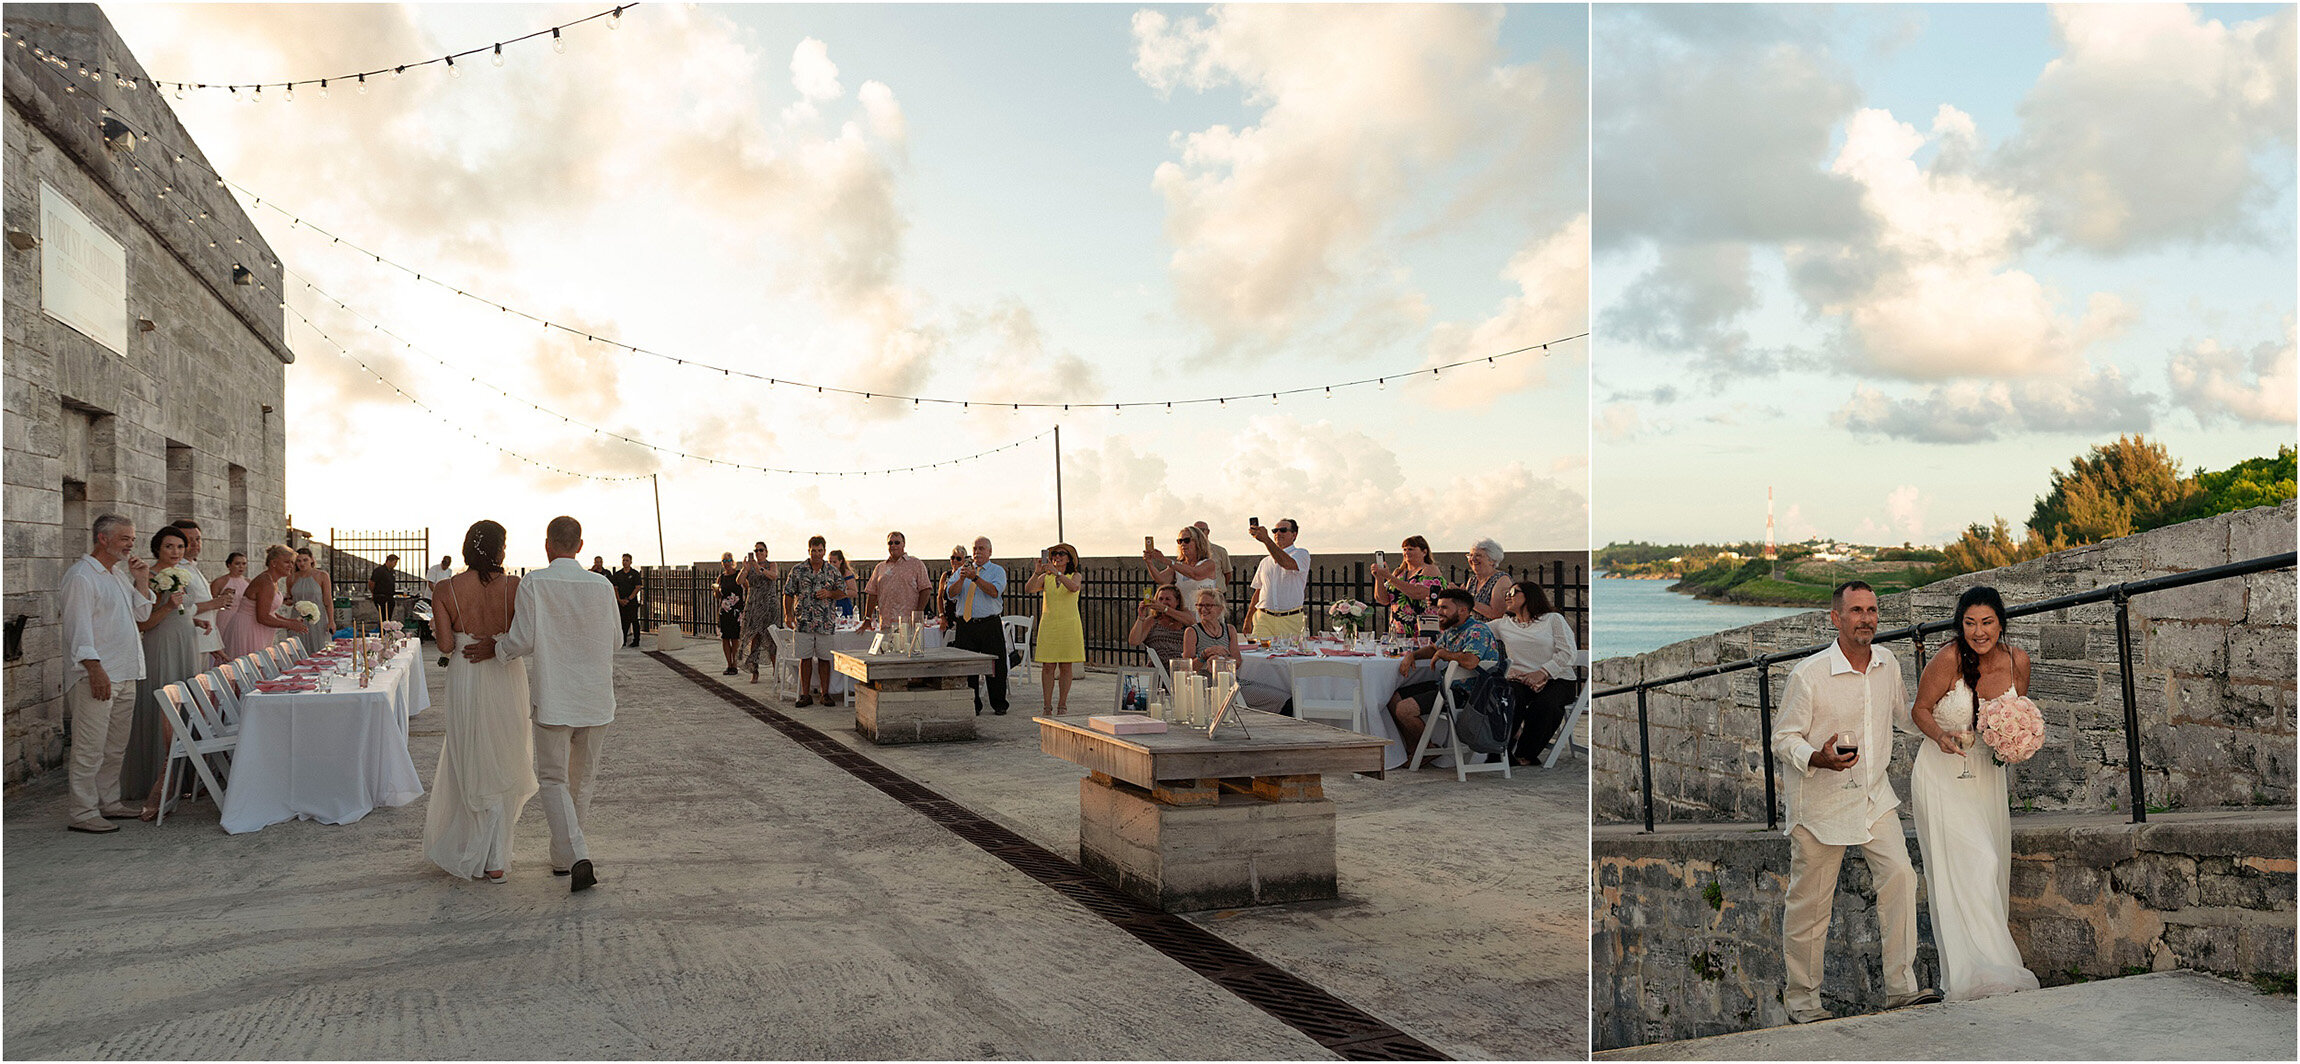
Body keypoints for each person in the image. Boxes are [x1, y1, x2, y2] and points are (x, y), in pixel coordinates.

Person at [1769, 580, 1939, 1024]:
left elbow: (1903, 716)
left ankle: (1901, 989)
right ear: (1836, 618)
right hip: (1820, 805)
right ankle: (1803, 1003)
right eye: (1857, 610)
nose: (1867, 618)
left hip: (1873, 796)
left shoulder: (1887, 663)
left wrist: (1948, 725)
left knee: (1901, 877)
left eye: (1873, 610)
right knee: (1810, 905)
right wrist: (1819, 758)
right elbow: (1782, 738)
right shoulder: (1808, 675)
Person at [462, 516, 618, 893]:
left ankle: (575, 853)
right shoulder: (602, 585)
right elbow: (614, 640)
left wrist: (495, 650)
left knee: (553, 779)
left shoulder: (535, 581)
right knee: (581, 781)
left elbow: (521, 640)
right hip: (596, 698)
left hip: (555, 697)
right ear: (580, 546)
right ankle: (564, 857)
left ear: (548, 545)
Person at [1908, 586, 2041, 1003]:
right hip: (1943, 773)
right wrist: (1941, 737)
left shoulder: (2019, 661)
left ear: (2000, 622)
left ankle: (1981, 971)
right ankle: (1991, 970)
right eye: (1969, 623)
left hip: (1986, 775)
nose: (1978, 632)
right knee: (1975, 862)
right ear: (1959, 624)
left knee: (1992, 863)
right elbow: (1919, 710)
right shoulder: (1948, 658)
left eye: (1986, 622)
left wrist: (2016, 740)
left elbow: (2017, 711)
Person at [423, 520, 537, 884]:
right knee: (505, 754)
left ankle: (472, 847)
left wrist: (453, 633)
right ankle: (496, 858)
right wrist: (497, 643)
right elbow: (527, 636)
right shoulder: (516, 587)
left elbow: (443, 646)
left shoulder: (445, 588)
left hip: (466, 676)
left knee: (470, 755)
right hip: (506, 674)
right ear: (498, 549)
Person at [59, 514, 155, 832]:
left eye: (132, 538)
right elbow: (77, 628)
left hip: (126, 671)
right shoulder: (81, 576)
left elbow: (142, 614)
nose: (131, 544)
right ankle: (83, 812)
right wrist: (94, 668)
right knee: (89, 746)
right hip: (98, 675)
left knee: (115, 746)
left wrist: (141, 578)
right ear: (103, 538)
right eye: (125, 538)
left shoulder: (117, 575)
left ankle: (109, 802)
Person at [125, 525, 194, 818]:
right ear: (157, 548)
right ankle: (156, 775)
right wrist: (167, 608)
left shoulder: (183, 575)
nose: (176, 552)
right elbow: (141, 623)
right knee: (164, 702)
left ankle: (186, 778)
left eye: (180, 547)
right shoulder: (149, 577)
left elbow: (184, 609)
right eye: (169, 547)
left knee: (186, 703)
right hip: (160, 643)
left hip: (185, 640)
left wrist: (195, 620)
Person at [1387, 588, 1503, 756]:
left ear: (1463, 610)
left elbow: (1471, 661)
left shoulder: (1477, 631)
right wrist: (1412, 656)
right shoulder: (1453, 629)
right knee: (1392, 697)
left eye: (1444, 608)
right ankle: (1417, 749)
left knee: (1404, 709)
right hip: (1446, 686)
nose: (1439, 612)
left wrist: (1444, 654)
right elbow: (1434, 648)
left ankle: (1426, 750)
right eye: (1439, 607)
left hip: (1469, 694)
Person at [1492, 579, 1578, 766]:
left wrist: (1543, 672)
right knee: (1510, 697)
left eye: (1513, 593)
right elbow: (1475, 631)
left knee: (1546, 705)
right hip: (1521, 679)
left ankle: (1526, 753)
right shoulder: (1503, 625)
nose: (1508, 596)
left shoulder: (1553, 619)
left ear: (1529, 596)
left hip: (1558, 678)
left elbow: (1568, 652)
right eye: (1507, 593)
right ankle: (1500, 750)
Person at [1178, 588, 1293, 714]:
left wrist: (1222, 661)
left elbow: (1237, 661)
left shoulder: (1229, 630)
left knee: (1285, 698)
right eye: (1200, 605)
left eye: (1208, 605)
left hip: (1232, 681)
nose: (1203, 609)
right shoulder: (1192, 632)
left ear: (1220, 608)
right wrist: (1205, 654)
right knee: (1278, 701)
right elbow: (1187, 669)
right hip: (1208, 685)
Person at [942, 537, 1009, 715]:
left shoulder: (997, 571)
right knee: (967, 665)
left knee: (995, 665)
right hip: (966, 624)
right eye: (975, 549)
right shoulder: (962, 571)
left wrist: (975, 578)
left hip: (989, 623)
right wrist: (962, 579)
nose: (978, 552)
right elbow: (950, 594)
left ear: (990, 552)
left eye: (981, 548)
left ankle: (999, 703)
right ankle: (972, 703)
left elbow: (994, 592)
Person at [781, 536, 844, 707]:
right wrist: (788, 615)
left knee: (825, 659)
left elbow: (842, 592)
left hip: (825, 622)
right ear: (808, 550)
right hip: (803, 622)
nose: (816, 554)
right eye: (813, 550)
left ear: (824, 550)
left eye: (820, 550)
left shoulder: (832, 571)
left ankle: (825, 694)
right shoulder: (798, 570)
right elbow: (788, 592)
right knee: (805, 658)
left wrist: (829, 594)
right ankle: (805, 694)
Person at [1027, 543, 1085, 715]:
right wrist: (1038, 572)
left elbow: (1073, 587)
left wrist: (1057, 572)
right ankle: (1046, 705)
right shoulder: (1046, 577)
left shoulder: (1075, 575)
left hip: (1068, 625)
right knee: (1048, 666)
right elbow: (1029, 589)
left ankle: (1062, 704)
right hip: (1050, 625)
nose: (1057, 557)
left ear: (1069, 558)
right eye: (1054, 554)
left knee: (1066, 666)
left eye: (1061, 554)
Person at [223, 545, 308, 660]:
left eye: (292, 563)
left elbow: (269, 611)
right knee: (252, 667)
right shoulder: (266, 582)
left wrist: (289, 620)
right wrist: (289, 625)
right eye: (287, 562)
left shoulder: (273, 581)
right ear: (273, 563)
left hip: (257, 627)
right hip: (249, 629)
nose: (291, 566)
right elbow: (262, 617)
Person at [170, 520, 230, 665]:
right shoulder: (175, 570)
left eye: (198, 539)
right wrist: (214, 603)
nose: (195, 544)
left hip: (203, 641)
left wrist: (213, 643)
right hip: (188, 642)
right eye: (189, 540)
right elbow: (179, 610)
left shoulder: (192, 567)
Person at [1242, 518, 1310, 639]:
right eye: (1275, 531)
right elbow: (1259, 591)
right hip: (1263, 618)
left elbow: (1286, 563)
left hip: (1290, 619)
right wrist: (1248, 619)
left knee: (1291, 655)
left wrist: (1266, 540)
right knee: (1260, 654)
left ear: (1294, 535)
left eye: (1283, 530)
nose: (1278, 534)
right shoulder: (1265, 561)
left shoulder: (1301, 554)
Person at [1373, 535, 1444, 637]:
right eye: (1404, 549)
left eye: (1411, 549)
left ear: (1424, 552)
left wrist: (1389, 577)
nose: (1406, 552)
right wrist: (1379, 578)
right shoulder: (1399, 573)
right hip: (1399, 631)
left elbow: (1417, 593)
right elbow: (1383, 600)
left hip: (1423, 630)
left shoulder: (1429, 570)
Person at [863, 531, 933, 630]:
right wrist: (867, 618)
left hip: (908, 625)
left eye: (897, 542)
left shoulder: (916, 564)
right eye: (890, 543)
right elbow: (872, 593)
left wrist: (917, 615)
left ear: (903, 544)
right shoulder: (880, 568)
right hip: (886, 624)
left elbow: (925, 589)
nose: (893, 545)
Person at [1147, 526, 1221, 608]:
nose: (1183, 544)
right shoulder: (1177, 566)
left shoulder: (1208, 564)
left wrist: (1165, 560)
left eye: (1186, 540)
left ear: (1198, 542)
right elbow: (1161, 579)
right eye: (1180, 541)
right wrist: (1149, 562)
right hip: (1185, 614)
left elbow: (1195, 574)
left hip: (1205, 613)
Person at [1127, 585, 1195, 673]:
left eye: (1167, 599)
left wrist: (1165, 609)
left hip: (1182, 668)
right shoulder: (1152, 621)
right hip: (1160, 669)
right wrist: (1140, 617)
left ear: (1177, 601)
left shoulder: (1184, 616)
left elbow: (1192, 622)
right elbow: (1134, 641)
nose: (1163, 602)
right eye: (1160, 599)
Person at [737, 543, 778, 684]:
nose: (758, 553)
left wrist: (758, 568)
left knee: (772, 639)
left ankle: (776, 670)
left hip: (769, 606)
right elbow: (739, 581)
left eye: (761, 550)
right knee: (754, 639)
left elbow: (773, 576)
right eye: (756, 550)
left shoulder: (771, 564)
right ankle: (754, 671)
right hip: (754, 606)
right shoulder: (750, 567)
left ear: (766, 552)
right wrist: (744, 569)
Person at [290, 547, 336, 652]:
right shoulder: (291, 578)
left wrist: (331, 621)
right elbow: (291, 599)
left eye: (305, 560)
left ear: (311, 559)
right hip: (298, 618)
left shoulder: (322, 575)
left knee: (319, 648)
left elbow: (328, 601)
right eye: (298, 561)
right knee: (298, 649)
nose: (302, 563)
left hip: (317, 618)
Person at [210, 551, 250, 667]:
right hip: (225, 616)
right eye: (237, 564)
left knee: (239, 645)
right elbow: (211, 601)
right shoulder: (220, 581)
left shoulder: (248, 581)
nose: (241, 567)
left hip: (242, 616)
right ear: (229, 565)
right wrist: (221, 597)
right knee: (225, 644)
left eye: (244, 564)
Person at [1461, 538, 1511, 620]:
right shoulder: (1472, 581)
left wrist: (1466, 599)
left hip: (1491, 630)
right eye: (1470, 555)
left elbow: (1496, 614)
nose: (1472, 559)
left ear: (1492, 561)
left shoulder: (1501, 580)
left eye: (1478, 555)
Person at [715, 552, 744, 676]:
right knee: (725, 638)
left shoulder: (738, 575)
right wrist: (716, 591)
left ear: (733, 561)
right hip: (725, 611)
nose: (727, 563)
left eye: (729, 560)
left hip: (736, 612)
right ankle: (729, 664)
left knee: (735, 638)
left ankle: (735, 664)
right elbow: (718, 596)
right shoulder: (721, 577)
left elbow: (747, 588)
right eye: (724, 561)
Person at [609, 554, 644, 647]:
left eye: (627, 560)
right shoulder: (618, 574)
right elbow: (615, 588)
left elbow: (637, 587)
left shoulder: (635, 574)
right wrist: (619, 599)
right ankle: (622, 640)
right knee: (622, 621)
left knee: (634, 621)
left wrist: (629, 599)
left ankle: (636, 640)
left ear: (631, 562)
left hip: (631, 602)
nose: (625, 562)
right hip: (621, 602)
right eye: (623, 560)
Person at [1193, 521, 1232, 586]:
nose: (1199, 533)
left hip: (1216, 592)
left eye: (1202, 530)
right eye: (1196, 531)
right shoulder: (1189, 551)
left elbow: (1227, 573)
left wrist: (1220, 589)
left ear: (1208, 532)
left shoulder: (1220, 551)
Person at [827, 549, 860, 624]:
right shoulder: (826, 573)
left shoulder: (846, 574)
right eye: (830, 562)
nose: (832, 564)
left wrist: (838, 593)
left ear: (840, 561)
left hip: (843, 606)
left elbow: (854, 592)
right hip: (830, 606)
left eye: (834, 562)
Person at [369, 553, 401, 624]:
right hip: (381, 596)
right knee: (384, 617)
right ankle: (383, 632)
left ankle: (386, 631)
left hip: (389, 596)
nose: (395, 564)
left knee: (388, 617)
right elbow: (371, 582)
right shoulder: (379, 570)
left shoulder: (392, 571)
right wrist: (373, 593)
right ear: (389, 561)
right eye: (394, 562)